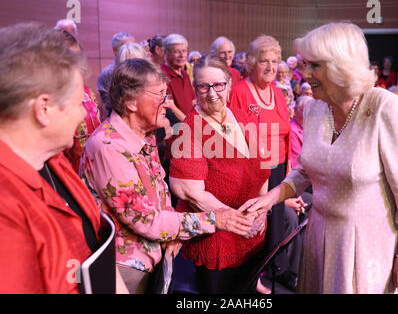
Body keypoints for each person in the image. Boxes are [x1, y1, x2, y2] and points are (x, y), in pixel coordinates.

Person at [240, 22, 398, 294]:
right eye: (304, 65)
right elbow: (306, 171)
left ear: (343, 66)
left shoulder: (384, 107)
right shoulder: (315, 108)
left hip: (367, 247)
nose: (305, 74)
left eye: (315, 66)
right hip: (319, 240)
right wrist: (268, 199)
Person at [80, 58, 253, 294]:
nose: (167, 103)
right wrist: (215, 220)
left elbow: (160, 195)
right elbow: (146, 220)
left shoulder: (145, 134)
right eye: (160, 95)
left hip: (153, 257)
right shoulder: (109, 147)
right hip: (124, 268)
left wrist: (173, 233)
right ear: (131, 102)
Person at [0, 22, 127, 294]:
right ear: (43, 109)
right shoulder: (5, 209)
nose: (85, 114)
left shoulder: (54, 161)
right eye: (79, 102)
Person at [168, 56, 270, 294]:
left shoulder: (243, 118)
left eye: (218, 85)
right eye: (203, 86)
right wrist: (240, 221)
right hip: (216, 239)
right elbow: (189, 192)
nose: (211, 94)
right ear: (196, 88)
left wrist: (262, 212)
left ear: (229, 85)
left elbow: (263, 171)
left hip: (252, 235)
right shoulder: (190, 129)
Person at [229, 35, 295, 292]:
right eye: (264, 61)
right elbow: (235, 137)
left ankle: (273, 270)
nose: (270, 67)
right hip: (253, 171)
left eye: (275, 61)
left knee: (276, 222)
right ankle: (251, 278)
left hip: (278, 166)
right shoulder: (240, 92)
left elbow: (284, 130)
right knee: (255, 224)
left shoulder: (278, 93)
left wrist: (287, 170)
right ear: (252, 63)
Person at [59, 30, 102, 173]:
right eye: (69, 57)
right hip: (68, 169)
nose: (75, 63)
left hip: (94, 165)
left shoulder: (87, 92)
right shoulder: (53, 96)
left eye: (77, 57)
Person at [97, 32, 135, 119]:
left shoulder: (139, 70)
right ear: (115, 50)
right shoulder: (108, 73)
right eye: (126, 47)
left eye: (133, 46)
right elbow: (110, 104)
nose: (130, 50)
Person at [161, 34, 195, 123]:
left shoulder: (185, 74)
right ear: (166, 53)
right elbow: (171, 107)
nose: (182, 55)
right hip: (177, 127)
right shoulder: (162, 75)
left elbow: (193, 101)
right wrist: (190, 124)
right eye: (177, 51)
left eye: (184, 51)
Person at [290, 96, 313, 169]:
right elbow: (297, 165)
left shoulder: (310, 126)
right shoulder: (292, 131)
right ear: (295, 110)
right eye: (305, 112)